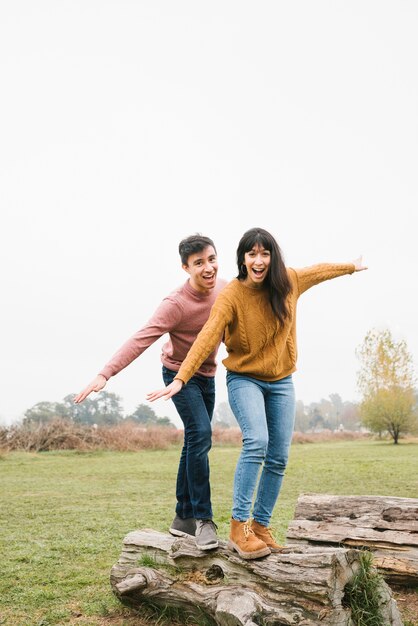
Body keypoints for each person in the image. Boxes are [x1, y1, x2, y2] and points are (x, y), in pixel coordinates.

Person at [147, 227, 367, 560]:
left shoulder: (289, 281)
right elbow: (207, 337)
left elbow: (319, 272)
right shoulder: (233, 294)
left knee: (279, 456)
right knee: (257, 442)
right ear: (243, 259)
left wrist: (350, 267)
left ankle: (261, 526)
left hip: (281, 381)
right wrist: (181, 377)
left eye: (265, 253)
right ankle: (239, 528)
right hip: (244, 379)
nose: (259, 260)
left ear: (272, 257)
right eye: (252, 254)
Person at [74, 234, 227, 551]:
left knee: (194, 439)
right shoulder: (175, 304)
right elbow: (140, 338)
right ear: (186, 267)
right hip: (176, 374)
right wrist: (106, 373)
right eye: (199, 263)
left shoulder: (225, 289)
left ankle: (182, 517)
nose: (208, 267)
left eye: (211, 259)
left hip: (207, 375)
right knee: (200, 433)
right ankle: (203, 520)